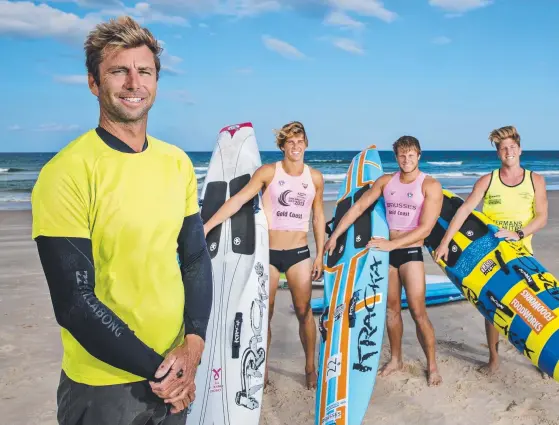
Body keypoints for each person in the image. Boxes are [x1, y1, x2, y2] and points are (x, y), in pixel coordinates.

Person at [31, 16, 213, 425]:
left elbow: (195, 258)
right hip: (105, 387)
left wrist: (193, 347)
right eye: (118, 71)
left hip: (175, 368)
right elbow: (75, 303)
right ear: (94, 83)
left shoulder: (176, 163)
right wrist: (164, 373)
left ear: (156, 82)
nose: (134, 83)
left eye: (144, 71)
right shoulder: (67, 173)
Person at [203, 121, 325, 389]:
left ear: (306, 143)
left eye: (300, 141)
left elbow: (318, 216)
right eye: (290, 142)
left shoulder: (314, 177)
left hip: (299, 254)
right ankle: (263, 368)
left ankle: (310, 367)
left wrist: (320, 255)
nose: (296, 146)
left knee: (305, 311)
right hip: (267, 253)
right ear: (282, 146)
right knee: (264, 314)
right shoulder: (269, 172)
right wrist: (208, 225)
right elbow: (239, 200)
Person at [324, 135, 444, 386]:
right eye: (402, 154)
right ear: (396, 156)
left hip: (410, 252)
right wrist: (335, 235)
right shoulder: (386, 181)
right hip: (385, 253)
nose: (407, 159)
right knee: (391, 310)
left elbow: (425, 228)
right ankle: (396, 359)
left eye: (411, 155)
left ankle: (432, 365)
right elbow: (357, 208)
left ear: (419, 155)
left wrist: (392, 244)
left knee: (417, 310)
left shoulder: (430, 185)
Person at [434, 125, 548, 375]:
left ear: (520, 149)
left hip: (522, 253)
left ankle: (539, 356)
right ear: (498, 153)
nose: (508, 151)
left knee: (530, 305)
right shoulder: (488, 180)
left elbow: (541, 217)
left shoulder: (535, 180)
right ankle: (494, 358)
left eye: (512, 147)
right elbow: (464, 211)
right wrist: (444, 242)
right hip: (492, 253)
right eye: (503, 148)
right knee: (492, 307)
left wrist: (518, 234)